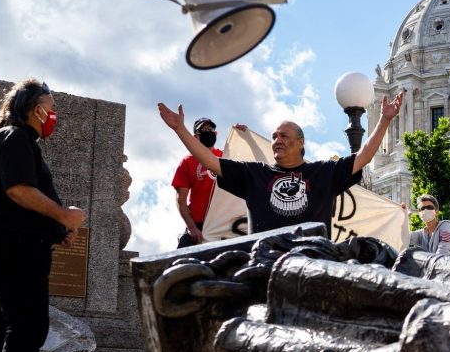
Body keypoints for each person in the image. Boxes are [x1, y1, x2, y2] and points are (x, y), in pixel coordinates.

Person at [0, 79, 86, 352]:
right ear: (32, 107)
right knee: (29, 327)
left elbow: (18, 201)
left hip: (14, 244)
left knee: (10, 329)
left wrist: (58, 228)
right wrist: (63, 214)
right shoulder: (14, 137)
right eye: (50, 104)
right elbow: (18, 191)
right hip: (14, 247)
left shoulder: (18, 141)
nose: (54, 112)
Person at [157, 92, 403, 235]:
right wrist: (180, 129)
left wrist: (384, 120)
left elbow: (364, 157)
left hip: (313, 264)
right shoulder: (254, 174)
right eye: (274, 136)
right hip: (266, 267)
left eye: (283, 136)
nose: (276, 141)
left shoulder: (323, 173)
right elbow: (211, 161)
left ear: (300, 142)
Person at [171, 117, 221, 248]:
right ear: (196, 137)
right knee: (180, 261)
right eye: (204, 130)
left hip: (225, 223)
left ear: (216, 134)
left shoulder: (226, 155)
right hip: (199, 227)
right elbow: (181, 199)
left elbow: (249, 164)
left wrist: (243, 135)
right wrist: (192, 228)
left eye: (211, 129)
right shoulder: (187, 162)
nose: (208, 132)